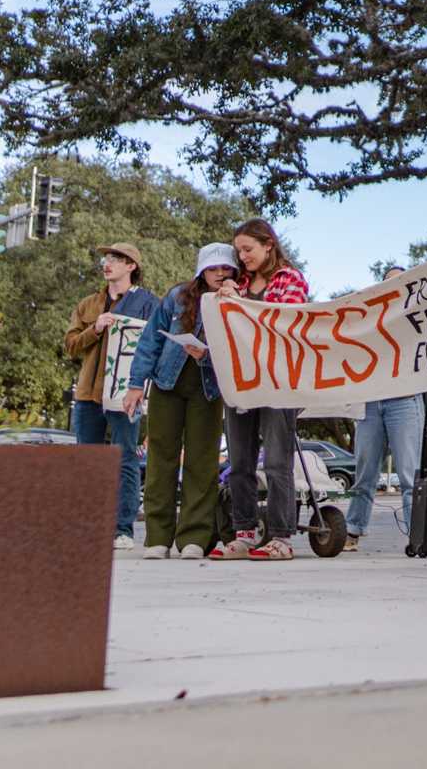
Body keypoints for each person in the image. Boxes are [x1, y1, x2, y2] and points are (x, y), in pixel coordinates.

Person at [123, 244, 238, 559]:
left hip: (208, 389)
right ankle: (157, 537)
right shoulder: (177, 296)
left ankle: (194, 538)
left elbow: (241, 349)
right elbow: (151, 341)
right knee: (161, 458)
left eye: (226, 269)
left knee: (202, 462)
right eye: (213, 269)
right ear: (201, 271)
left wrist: (208, 354)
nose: (220, 274)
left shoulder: (236, 303)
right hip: (166, 384)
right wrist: (135, 385)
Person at [210, 219, 309, 561]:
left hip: (279, 382)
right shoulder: (240, 283)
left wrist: (241, 304)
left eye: (248, 249)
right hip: (242, 381)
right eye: (239, 251)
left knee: (278, 462)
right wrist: (225, 303)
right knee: (239, 461)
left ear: (269, 245)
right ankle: (245, 532)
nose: (243, 256)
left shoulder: (290, 280)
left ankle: (282, 536)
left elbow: (287, 321)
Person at [63, 243, 159, 549]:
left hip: (124, 393)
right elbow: (70, 346)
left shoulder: (147, 303)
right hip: (88, 393)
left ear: (131, 266)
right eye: (106, 258)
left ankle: (122, 530)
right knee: (89, 461)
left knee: (125, 459)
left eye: (116, 259)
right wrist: (96, 328)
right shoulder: (89, 304)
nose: (108, 263)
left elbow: (155, 343)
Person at [342, 391, 426, 553]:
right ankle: (353, 529)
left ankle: (417, 537)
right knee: (364, 474)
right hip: (369, 401)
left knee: (409, 477)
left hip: (405, 398)